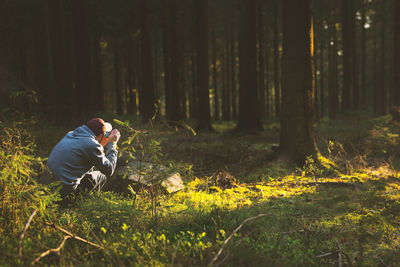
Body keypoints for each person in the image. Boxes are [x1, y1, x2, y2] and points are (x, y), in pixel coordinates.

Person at [47, 118, 121, 204]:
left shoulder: (70, 135)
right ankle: (80, 204)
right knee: (101, 176)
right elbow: (109, 170)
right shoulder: (91, 145)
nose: (106, 136)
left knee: (88, 171)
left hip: (48, 189)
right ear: (100, 135)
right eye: (105, 134)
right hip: (64, 194)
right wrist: (112, 144)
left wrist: (100, 143)